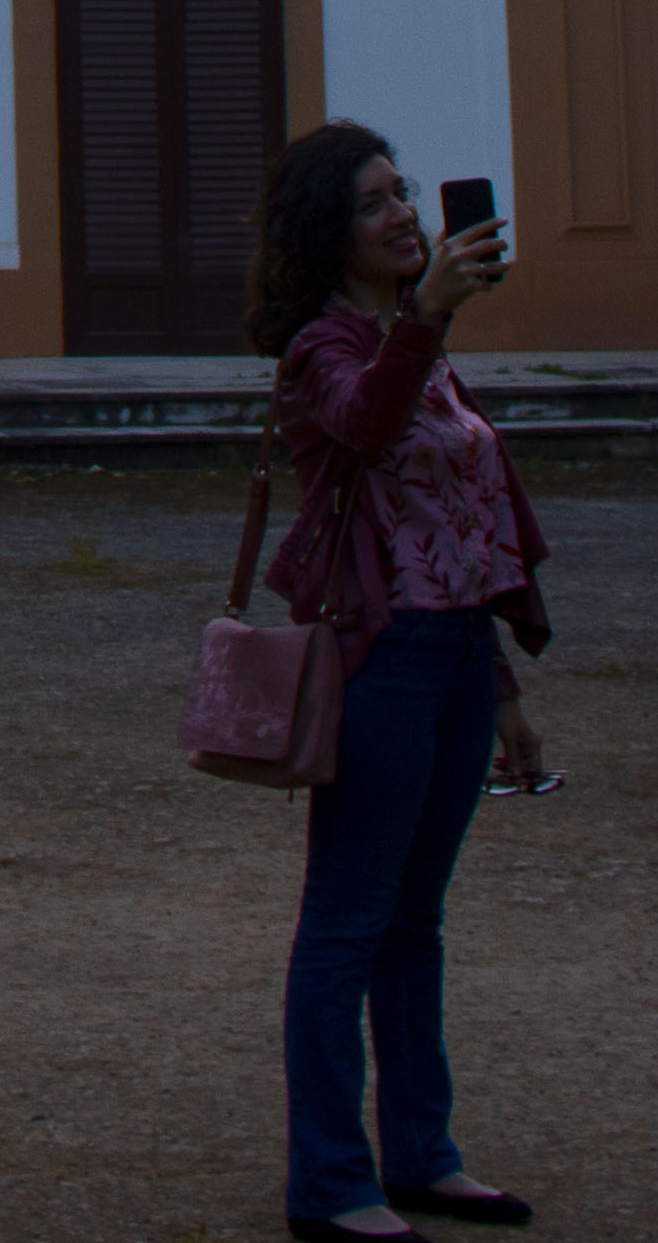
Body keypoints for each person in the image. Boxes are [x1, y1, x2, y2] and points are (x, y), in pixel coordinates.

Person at [245, 120, 551, 1243]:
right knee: (346, 923)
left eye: (405, 193)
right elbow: (366, 429)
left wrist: (508, 683)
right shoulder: (324, 350)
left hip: (461, 654)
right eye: (375, 201)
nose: (405, 214)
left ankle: (423, 1155)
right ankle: (330, 1182)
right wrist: (425, 320)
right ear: (331, 227)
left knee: (415, 922)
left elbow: (467, 516)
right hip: (380, 661)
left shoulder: (419, 340)